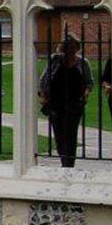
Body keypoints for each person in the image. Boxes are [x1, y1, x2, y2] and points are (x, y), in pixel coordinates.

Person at [40, 33, 93, 168]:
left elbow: (89, 83)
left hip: (74, 104)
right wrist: (44, 96)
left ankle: (69, 163)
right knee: (59, 135)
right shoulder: (55, 60)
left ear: (77, 48)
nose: (70, 50)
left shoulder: (82, 63)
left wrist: (85, 95)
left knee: (71, 134)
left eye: (73, 47)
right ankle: (64, 159)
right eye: (67, 46)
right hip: (56, 103)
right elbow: (44, 79)